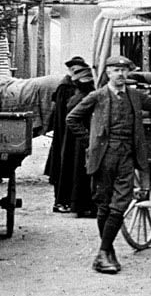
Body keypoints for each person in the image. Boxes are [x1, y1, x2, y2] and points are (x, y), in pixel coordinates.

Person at [66, 55, 151, 274]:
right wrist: (91, 143)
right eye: (115, 70)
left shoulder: (135, 96)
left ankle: (103, 252)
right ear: (108, 74)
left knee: (121, 202)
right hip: (103, 157)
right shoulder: (97, 96)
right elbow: (72, 119)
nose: (120, 74)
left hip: (127, 155)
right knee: (103, 204)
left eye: (124, 71)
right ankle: (107, 252)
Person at [46, 57, 97, 217]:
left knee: (71, 166)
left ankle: (71, 202)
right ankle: (65, 202)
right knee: (70, 166)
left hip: (71, 133)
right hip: (69, 134)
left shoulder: (75, 89)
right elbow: (63, 115)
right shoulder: (67, 88)